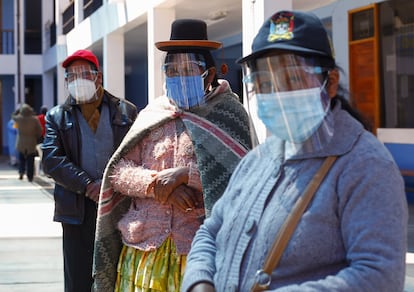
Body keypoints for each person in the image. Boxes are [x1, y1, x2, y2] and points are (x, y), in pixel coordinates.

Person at [182, 10, 408, 292]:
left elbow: (379, 276)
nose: (277, 94)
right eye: (265, 84)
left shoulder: (365, 165)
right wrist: (199, 282)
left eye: (292, 79)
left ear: (331, 82)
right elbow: (211, 230)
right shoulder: (258, 159)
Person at [92, 19, 253, 291]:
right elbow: (119, 172)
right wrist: (156, 185)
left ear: (209, 74)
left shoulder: (228, 115)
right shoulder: (152, 114)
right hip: (143, 248)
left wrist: (185, 176)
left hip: (199, 253)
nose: (178, 77)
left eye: (188, 70)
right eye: (171, 70)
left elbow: (243, 176)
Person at [41, 49, 137, 292]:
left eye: (84, 73)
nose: (77, 80)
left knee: (116, 273)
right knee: (78, 277)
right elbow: (52, 159)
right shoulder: (57, 116)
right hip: (76, 211)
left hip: (118, 206)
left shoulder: (126, 112)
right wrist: (87, 185)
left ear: (98, 77)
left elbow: (137, 155)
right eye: (71, 76)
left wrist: (113, 184)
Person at [11, 103, 43, 182]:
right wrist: (36, 136)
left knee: (21, 159)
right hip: (31, 142)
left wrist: (17, 111)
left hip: (21, 142)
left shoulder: (19, 118)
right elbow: (40, 130)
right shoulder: (34, 119)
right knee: (30, 160)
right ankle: (30, 176)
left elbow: (13, 117)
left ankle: (21, 172)